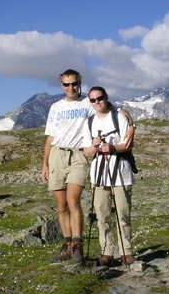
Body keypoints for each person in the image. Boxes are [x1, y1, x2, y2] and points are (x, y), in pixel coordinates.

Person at [42, 70, 134, 263]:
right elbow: (50, 136)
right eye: (66, 84)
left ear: (79, 83)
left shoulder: (89, 102)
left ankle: (77, 244)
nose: (70, 88)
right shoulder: (56, 107)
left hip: (78, 155)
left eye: (74, 83)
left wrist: (132, 124)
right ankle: (67, 244)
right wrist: (44, 163)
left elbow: (114, 110)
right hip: (57, 154)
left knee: (73, 200)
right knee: (61, 205)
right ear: (61, 86)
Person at [82, 86, 136, 266]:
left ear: (106, 97)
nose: (97, 102)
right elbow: (86, 152)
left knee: (123, 212)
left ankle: (126, 251)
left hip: (120, 171)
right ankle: (106, 251)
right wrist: (95, 145)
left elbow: (127, 145)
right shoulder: (89, 122)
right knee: (102, 213)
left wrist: (112, 148)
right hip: (98, 174)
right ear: (90, 102)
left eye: (100, 98)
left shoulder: (118, 117)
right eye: (93, 100)